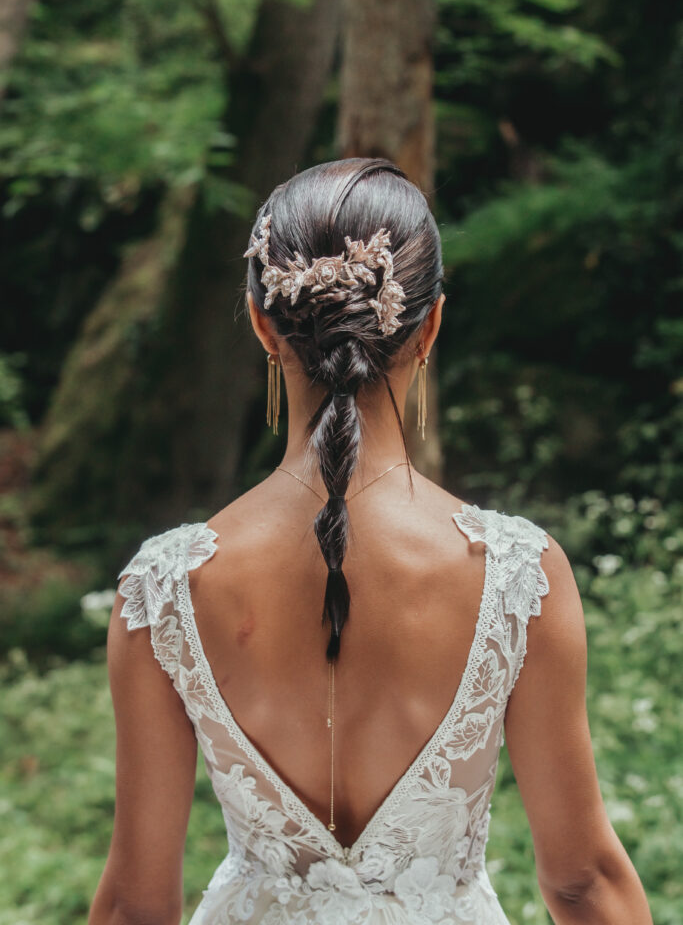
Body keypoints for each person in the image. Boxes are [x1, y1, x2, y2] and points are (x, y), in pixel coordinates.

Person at [88, 157, 652, 925]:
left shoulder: (163, 590)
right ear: (431, 327)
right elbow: (583, 882)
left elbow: (134, 906)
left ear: (261, 323)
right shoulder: (519, 575)